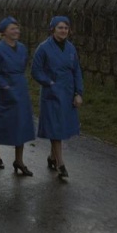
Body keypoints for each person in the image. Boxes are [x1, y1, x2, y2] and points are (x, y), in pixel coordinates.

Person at [31, 16, 84, 179]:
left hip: (68, 92)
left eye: (66, 28)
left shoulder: (71, 48)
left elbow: (76, 71)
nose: (63, 31)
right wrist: (49, 82)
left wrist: (78, 93)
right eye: (60, 27)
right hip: (52, 94)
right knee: (55, 128)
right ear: (53, 29)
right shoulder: (43, 48)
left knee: (61, 126)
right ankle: (60, 164)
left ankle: (52, 157)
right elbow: (36, 71)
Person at [0, 17, 36, 176]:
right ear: (4, 32)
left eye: (17, 28)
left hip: (20, 89)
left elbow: (24, 65)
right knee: (1, 124)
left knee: (20, 124)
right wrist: (5, 86)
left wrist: (19, 83)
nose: (16, 31)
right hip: (4, 92)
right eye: (12, 29)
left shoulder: (22, 48)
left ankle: (19, 160)